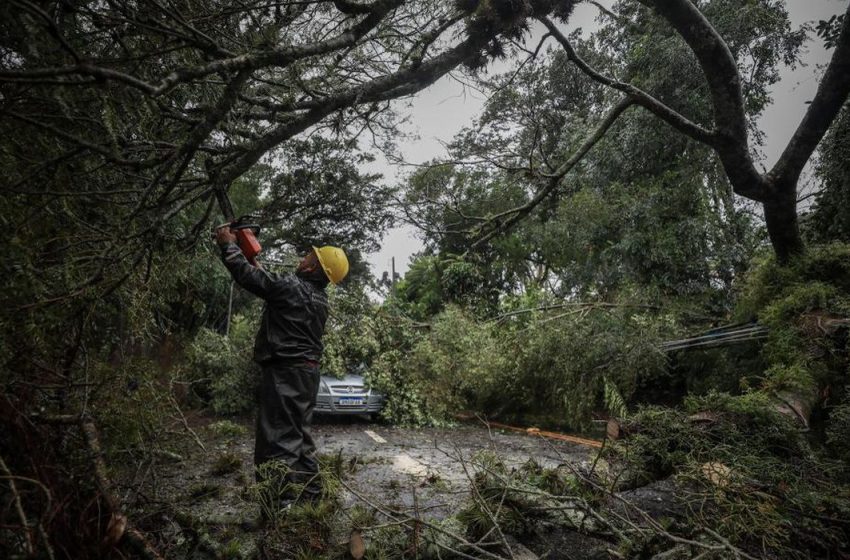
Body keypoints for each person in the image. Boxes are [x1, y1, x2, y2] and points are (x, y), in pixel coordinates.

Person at [214, 226, 349, 506]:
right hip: (307, 374)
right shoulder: (319, 300)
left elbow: (251, 279)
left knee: (276, 444)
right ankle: (311, 502)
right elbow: (268, 283)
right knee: (299, 438)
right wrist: (249, 252)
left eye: (308, 258)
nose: (302, 259)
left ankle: (277, 511)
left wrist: (228, 245)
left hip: (284, 374)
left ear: (314, 268)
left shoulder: (291, 288)